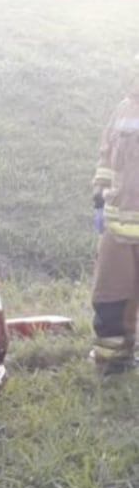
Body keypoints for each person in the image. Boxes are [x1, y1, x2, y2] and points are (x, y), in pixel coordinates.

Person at [90, 55, 139, 375]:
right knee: (111, 295)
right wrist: (98, 199)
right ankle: (113, 360)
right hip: (119, 227)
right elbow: (107, 158)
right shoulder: (123, 110)